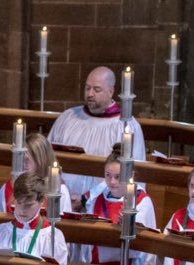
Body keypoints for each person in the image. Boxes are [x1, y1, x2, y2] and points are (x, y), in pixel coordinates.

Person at [47, 66, 147, 204]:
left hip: (103, 206)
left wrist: (87, 199)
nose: (90, 94)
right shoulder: (67, 118)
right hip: (62, 201)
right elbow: (46, 158)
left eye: (96, 89)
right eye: (87, 88)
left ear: (111, 91)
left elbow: (132, 175)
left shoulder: (126, 126)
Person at [72, 147, 158, 265]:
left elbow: (147, 247)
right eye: (108, 175)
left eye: (118, 177)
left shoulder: (141, 202)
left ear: (131, 175)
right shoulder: (97, 198)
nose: (112, 182)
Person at [0, 133, 72, 214]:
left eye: (28, 159)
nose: (23, 163)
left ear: (42, 160)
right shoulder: (7, 188)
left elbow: (64, 224)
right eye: (21, 157)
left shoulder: (59, 190)